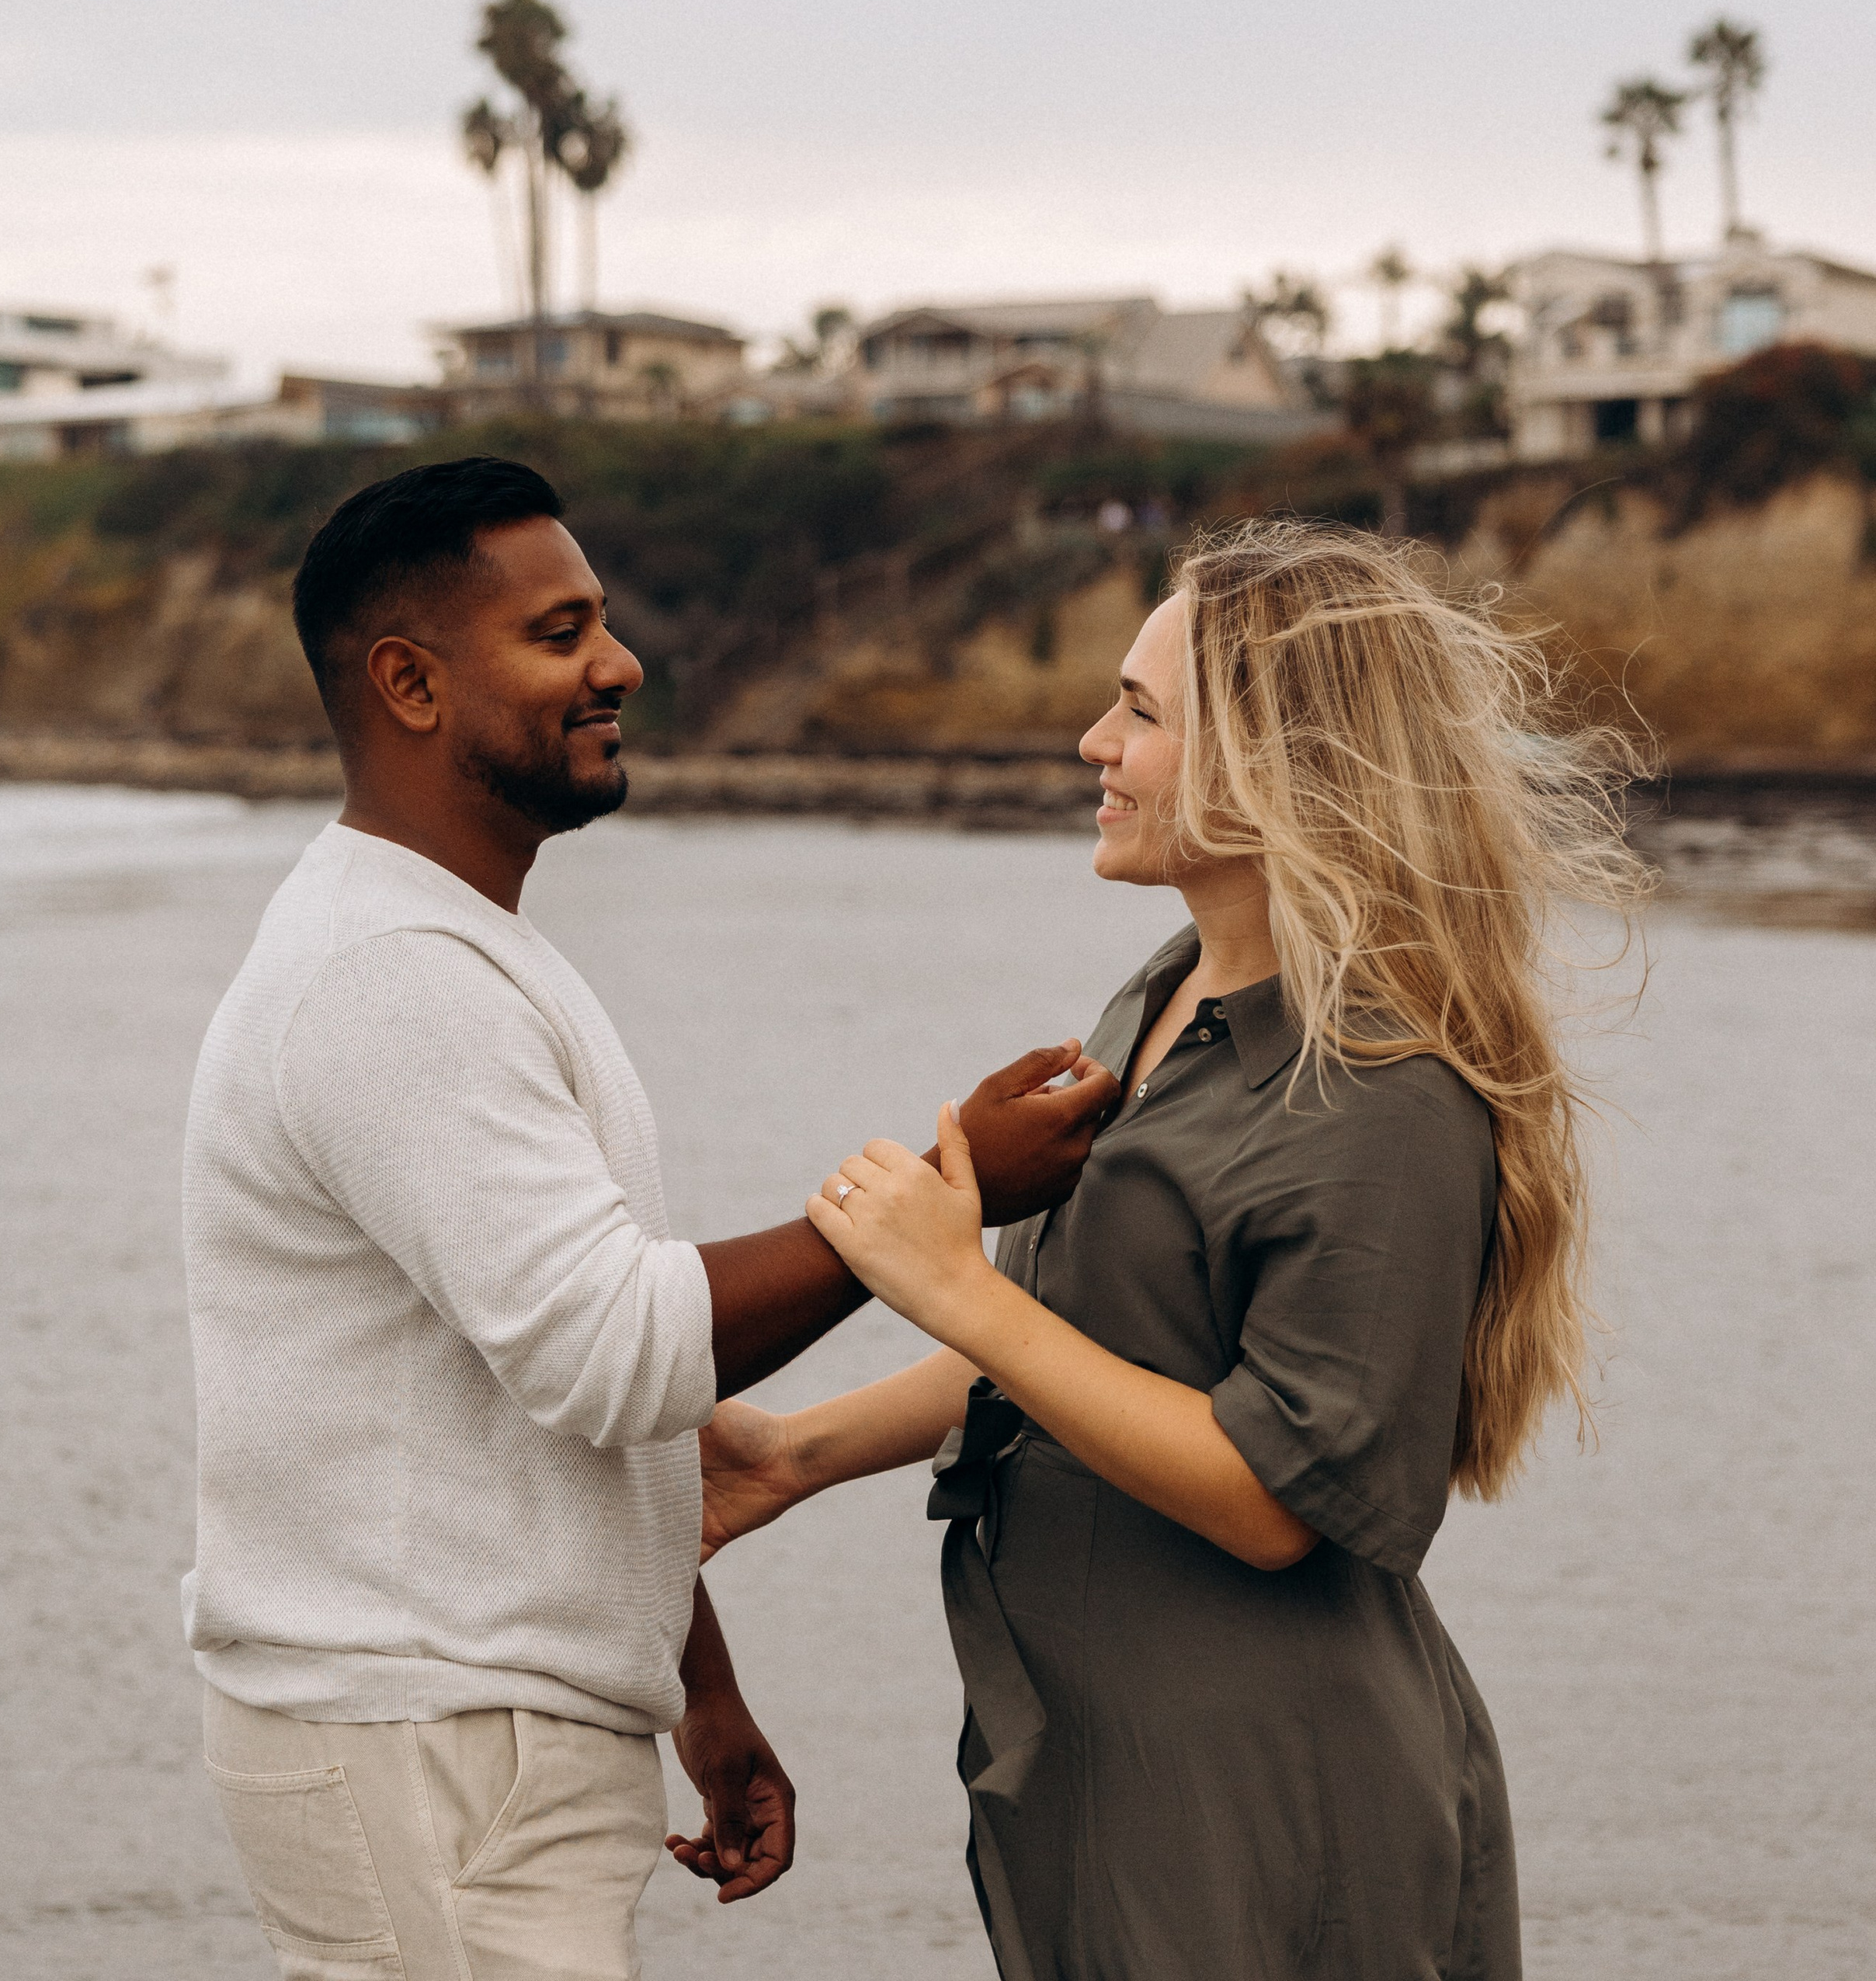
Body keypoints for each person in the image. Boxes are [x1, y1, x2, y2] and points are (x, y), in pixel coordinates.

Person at [182, 457, 1116, 1981]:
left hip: (476, 1723)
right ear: (409, 684)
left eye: (601, 623)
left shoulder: (460, 949)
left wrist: (695, 1683)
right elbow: (610, 1355)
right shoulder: (388, 981)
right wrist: (952, 1191)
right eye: (559, 635)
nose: (620, 665)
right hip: (419, 1736)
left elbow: (542, 1373)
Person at [699, 517, 1645, 1981]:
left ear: (1282, 760)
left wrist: (947, 1281)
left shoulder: (1385, 1090)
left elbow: (1281, 1497)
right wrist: (795, 1456)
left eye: (1140, 713)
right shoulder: (1161, 997)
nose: (1093, 742)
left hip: (1271, 1789)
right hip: (1092, 1755)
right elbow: (1091, 1352)